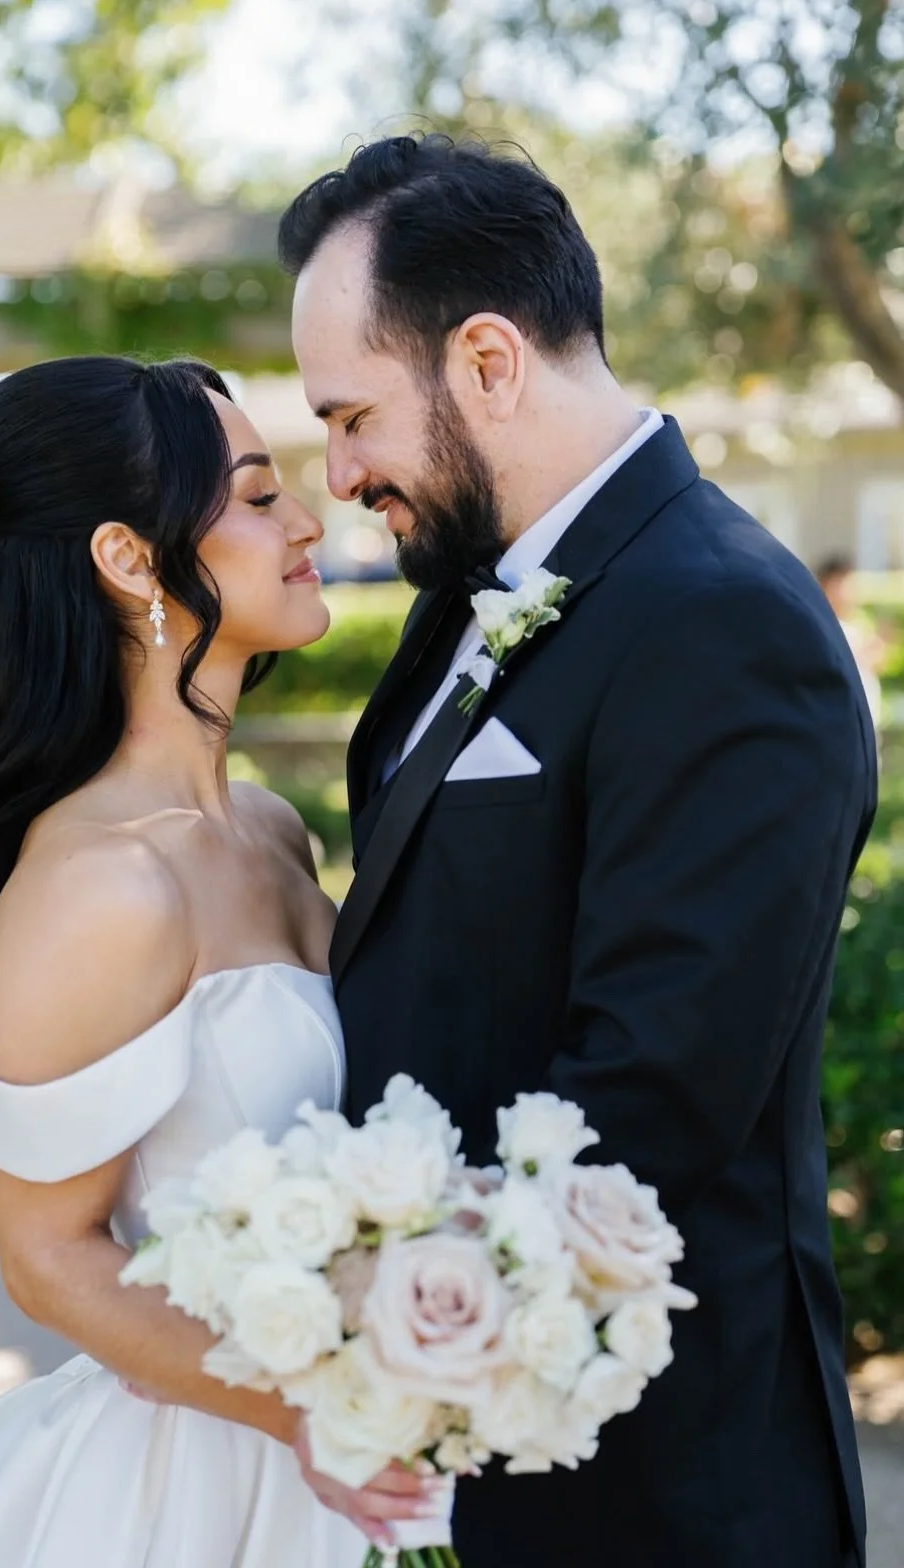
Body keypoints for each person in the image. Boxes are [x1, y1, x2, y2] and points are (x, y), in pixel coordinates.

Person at [281, 134, 878, 1568]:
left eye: (352, 417)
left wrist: (355, 1326)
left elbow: (650, 1091)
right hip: (462, 1455)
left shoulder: (725, 623)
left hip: (654, 1481)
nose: (339, 475)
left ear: (485, 361)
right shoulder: (465, 588)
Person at [0, 356, 437, 1566]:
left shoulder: (271, 829)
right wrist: (314, 1415)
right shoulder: (100, 883)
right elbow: (50, 1255)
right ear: (128, 558)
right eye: (260, 494)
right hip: (213, 1473)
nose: (306, 518)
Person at [816, 554, 887, 738]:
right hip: (841, 723)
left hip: (868, 720)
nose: (846, 591)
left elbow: (874, 664)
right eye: (840, 584)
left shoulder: (859, 621)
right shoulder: (820, 624)